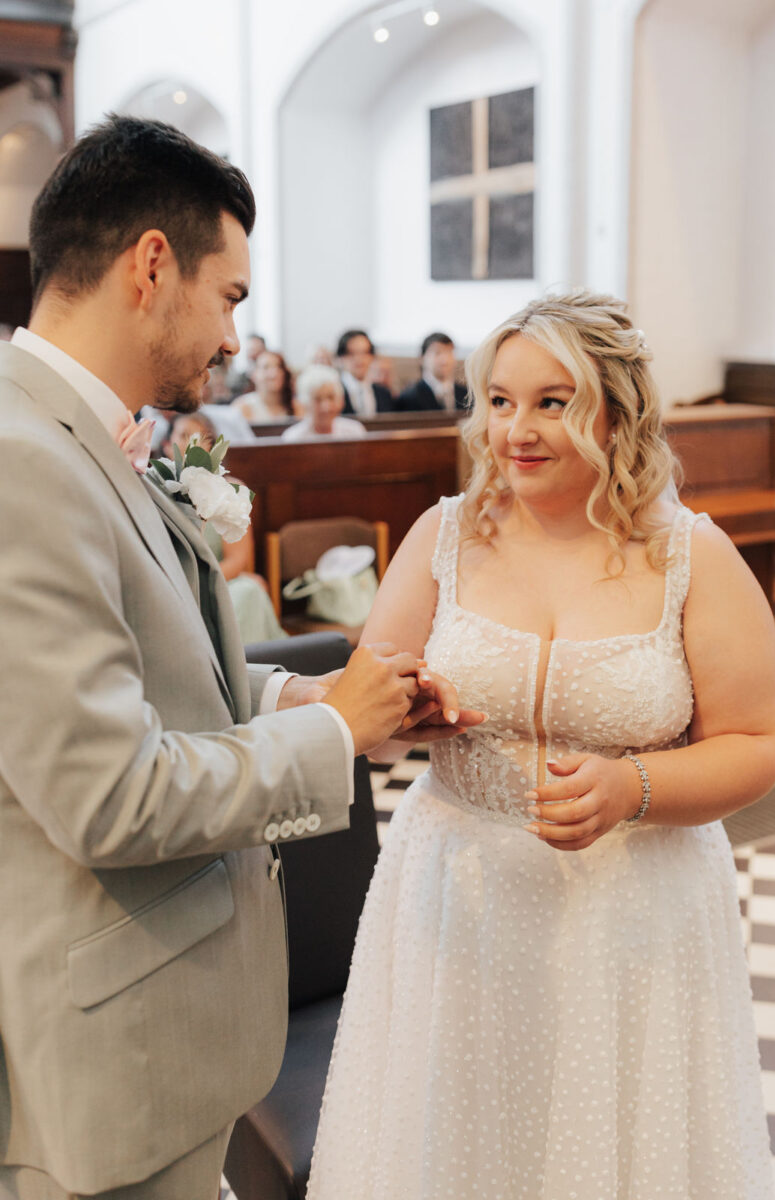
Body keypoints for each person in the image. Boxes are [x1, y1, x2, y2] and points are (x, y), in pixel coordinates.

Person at [0, 115, 475, 1200]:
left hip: (165, 1042)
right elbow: (108, 793)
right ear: (151, 266)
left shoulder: (79, 439)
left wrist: (305, 690)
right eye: (231, 299)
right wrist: (330, 735)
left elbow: (149, 678)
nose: (231, 335)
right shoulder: (22, 465)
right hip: (104, 1066)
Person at [307, 291, 775, 1199]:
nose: (514, 430)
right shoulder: (441, 535)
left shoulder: (691, 557)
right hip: (457, 896)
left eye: (551, 402)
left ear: (619, 409)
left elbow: (759, 742)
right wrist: (404, 712)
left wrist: (632, 786)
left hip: (633, 915)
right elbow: (361, 706)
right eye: (497, 400)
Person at [164, 413, 286, 642]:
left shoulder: (230, 490)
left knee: (249, 591)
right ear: (166, 444)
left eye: (198, 437)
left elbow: (238, 560)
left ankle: (250, 670)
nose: (191, 443)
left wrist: (201, 584)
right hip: (173, 586)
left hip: (219, 582)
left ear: (212, 447)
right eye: (183, 435)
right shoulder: (158, 491)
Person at [282, 365, 367, 442]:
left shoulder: (355, 432)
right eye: (318, 399)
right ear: (305, 403)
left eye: (331, 397)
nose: (326, 407)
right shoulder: (293, 438)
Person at [395, 331, 469, 412]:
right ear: (422, 358)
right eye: (437, 353)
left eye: (449, 352)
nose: (445, 359)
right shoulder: (409, 397)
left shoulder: (466, 395)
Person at [336, 328, 394, 415]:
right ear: (340, 357)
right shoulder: (334, 393)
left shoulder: (384, 394)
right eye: (352, 353)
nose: (359, 359)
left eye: (364, 353)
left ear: (372, 356)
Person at [232, 348, 295, 422]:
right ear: (254, 375)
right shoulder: (242, 408)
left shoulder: (297, 407)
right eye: (266, 367)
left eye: (279, 367)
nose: (274, 373)